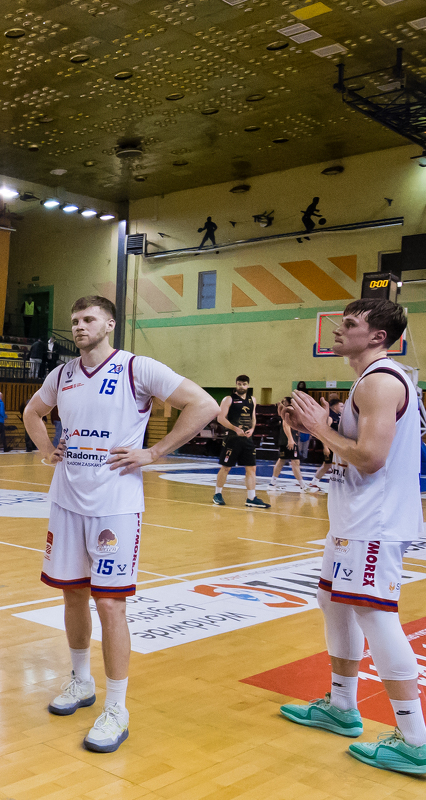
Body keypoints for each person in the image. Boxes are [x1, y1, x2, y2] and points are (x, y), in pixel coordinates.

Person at [22, 296, 217, 755]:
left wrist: (154, 452)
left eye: (88, 319)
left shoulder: (136, 368)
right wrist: (47, 449)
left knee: (110, 605)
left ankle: (117, 708)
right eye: (74, 320)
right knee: (72, 595)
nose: (79, 326)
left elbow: (203, 405)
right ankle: (80, 680)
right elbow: (32, 412)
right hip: (67, 500)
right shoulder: (62, 375)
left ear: (109, 323)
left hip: (115, 505)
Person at [280, 299, 426, 775]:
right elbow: (352, 449)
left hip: (376, 523)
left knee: (375, 615)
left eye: (349, 324)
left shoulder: (380, 381)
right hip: (354, 521)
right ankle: (341, 706)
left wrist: (320, 428)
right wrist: (318, 428)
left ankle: (415, 742)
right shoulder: (365, 381)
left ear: (376, 336)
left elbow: (370, 458)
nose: (337, 329)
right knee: (332, 602)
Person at [213, 374, 269, 509]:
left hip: (247, 439)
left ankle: (251, 498)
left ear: (248, 385)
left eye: (244, 384)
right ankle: (217, 494)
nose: (241, 386)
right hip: (232, 438)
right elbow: (220, 418)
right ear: (236, 384)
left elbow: (253, 417)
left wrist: (252, 429)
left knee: (251, 468)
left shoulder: (252, 400)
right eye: (239, 384)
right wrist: (235, 428)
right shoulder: (229, 399)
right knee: (226, 467)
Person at [269, 398, 309, 492]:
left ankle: (272, 482)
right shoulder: (289, 409)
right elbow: (285, 424)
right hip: (288, 440)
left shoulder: (290, 410)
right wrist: (290, 439)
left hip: (286, 439)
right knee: (295, 462)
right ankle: (303, 485)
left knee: (281, 460)